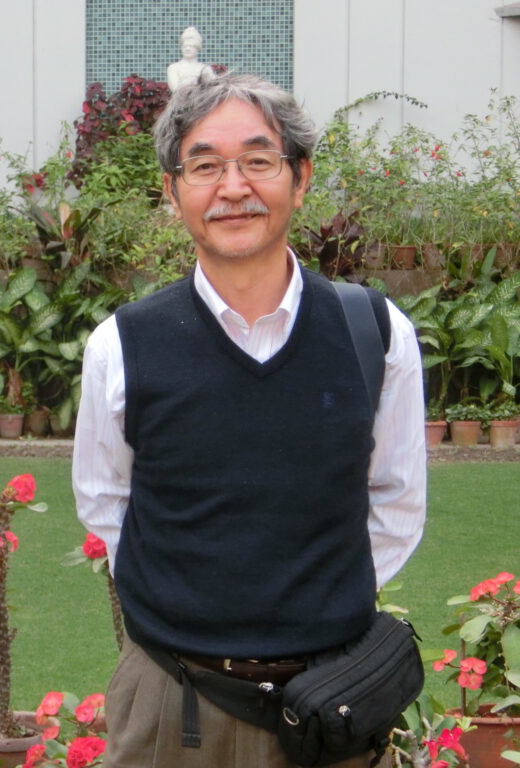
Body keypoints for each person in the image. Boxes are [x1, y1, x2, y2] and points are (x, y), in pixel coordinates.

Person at [72, 74, 426, 767]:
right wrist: (192, 602)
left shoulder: (376, 333)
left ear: (300, 179)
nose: (233, 187)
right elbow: (105, 499)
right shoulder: (122, 344)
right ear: (173, 194)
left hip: (332, 706)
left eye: (258, 161)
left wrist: (311, 603)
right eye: (204, 166)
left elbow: (396, 499)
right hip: (171, 703)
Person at [166, 27, 215, 93]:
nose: (187, 49)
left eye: (191, 46)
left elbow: (213, 88)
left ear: (197, 49)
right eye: (185, 46)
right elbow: (175, 88)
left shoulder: (205, 69)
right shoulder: (173, 68)